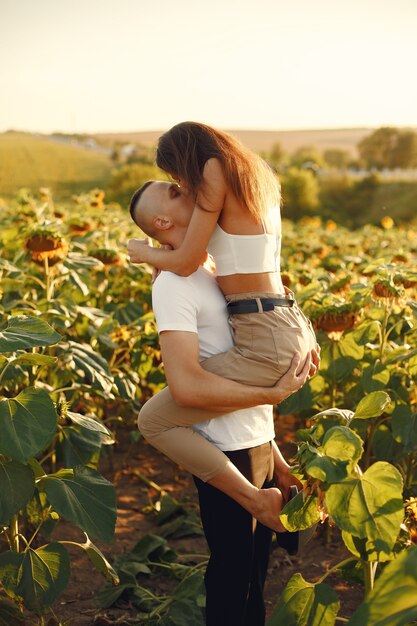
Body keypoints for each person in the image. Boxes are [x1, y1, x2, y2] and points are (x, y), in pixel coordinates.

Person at [130, 181, 317, 625]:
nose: (187, 190)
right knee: (231, 580)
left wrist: (276, 455)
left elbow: (245, 362)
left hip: (255, 441)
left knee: (255, 575)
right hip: (223, 450)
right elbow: (189, 382)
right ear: (161, 222)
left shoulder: (211, 269)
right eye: (174, 192)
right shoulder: (174, 286)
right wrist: (272, 395)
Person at [127, 122, 318, 531]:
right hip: (284, 317)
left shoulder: (213, 171)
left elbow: (184, 260)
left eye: (177, 178)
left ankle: (257, 501)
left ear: (185, 159)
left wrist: (142, 252)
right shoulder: (252, 173)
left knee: (154, 420)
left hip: (266, 325)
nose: (184, 186)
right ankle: (278, 474)